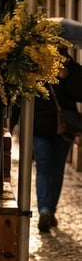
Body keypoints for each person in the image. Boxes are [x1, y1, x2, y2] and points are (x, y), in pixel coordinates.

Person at [31, 50, 82, 232]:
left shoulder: (35, 60)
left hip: (42, 127)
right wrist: (71, 70)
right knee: (55, 169)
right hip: (58, 127)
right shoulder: (42, 62)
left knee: (44, 170)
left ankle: (45, 209)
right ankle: (49, 210)